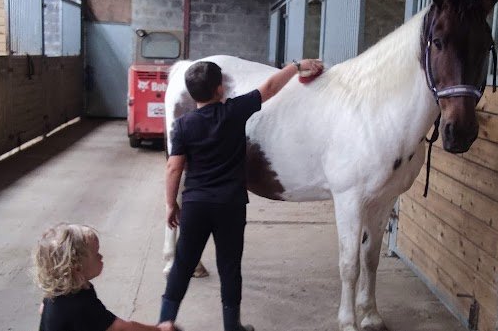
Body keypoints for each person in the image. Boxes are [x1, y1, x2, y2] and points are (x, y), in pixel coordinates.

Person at [160, 59, 324, 331]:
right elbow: (270, 88)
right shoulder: (234, 111)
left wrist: (170, 204)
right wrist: (296, 66)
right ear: (219, 89)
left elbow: (173, 168)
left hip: (196, 205)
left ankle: (164, 322)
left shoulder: (183, 125)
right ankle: (231, 326)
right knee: (229, 267)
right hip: (230, 205)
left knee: (183, 264)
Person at [35, 223, 177, 331]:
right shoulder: (81, 304)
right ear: (77, 268)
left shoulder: (56, 291)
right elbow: (120, 328)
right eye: (96, 253)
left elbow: (42, 309)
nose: (101, 256)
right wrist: (158, 329)